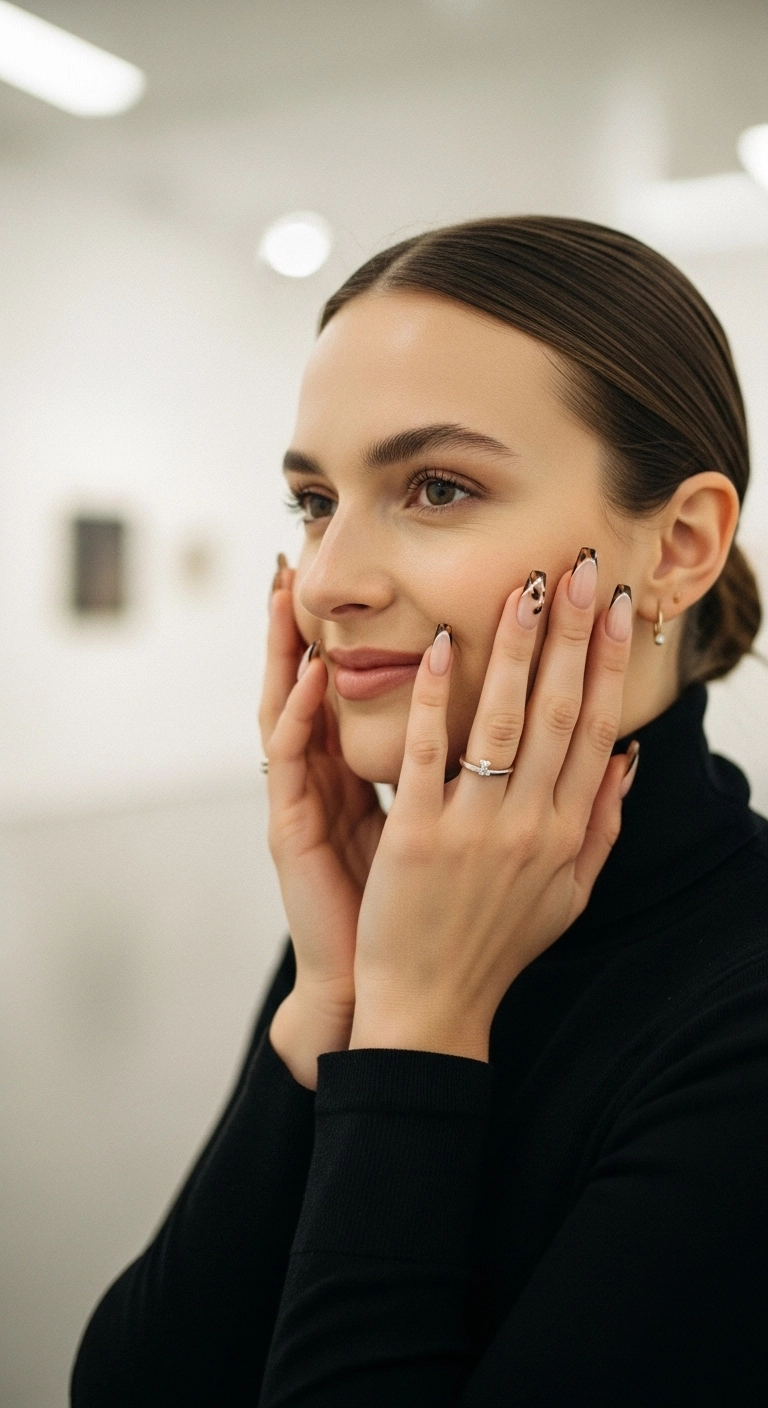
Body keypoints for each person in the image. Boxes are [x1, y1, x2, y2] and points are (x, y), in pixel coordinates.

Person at [71, 217, 767, 1407]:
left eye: (437, 487)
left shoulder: (741, 1017)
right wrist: (331, 1011)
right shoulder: (383, 918)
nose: (332, 577)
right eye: (312, 500)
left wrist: (420, 1042)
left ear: (682, 545)